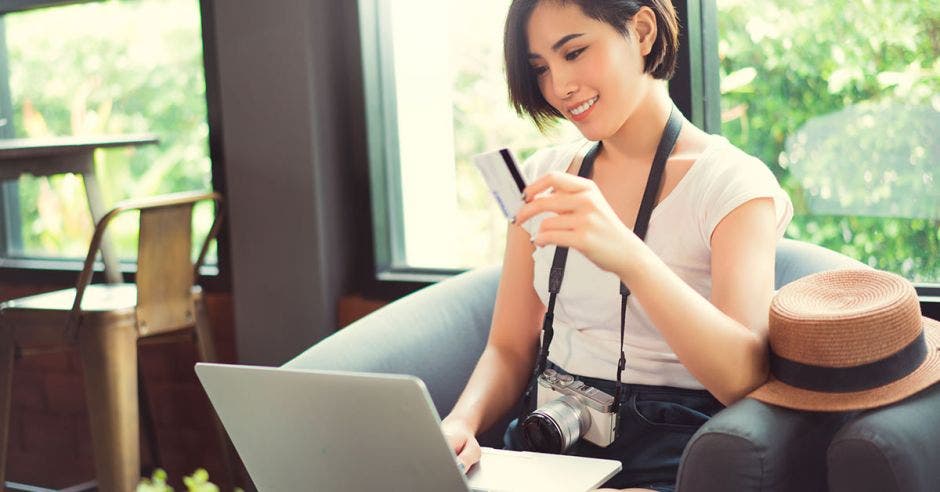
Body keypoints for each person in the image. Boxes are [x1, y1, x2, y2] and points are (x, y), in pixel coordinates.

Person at [439, 1, 794, 491]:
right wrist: (460, 424)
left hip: (669, 453)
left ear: (642, 31)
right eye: (541, 67)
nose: (560, 86)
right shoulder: (548, 174)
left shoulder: (732, 183)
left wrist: (627, 254)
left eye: (576, 51)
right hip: (547, 440)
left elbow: (743, 378)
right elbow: (509, 347)